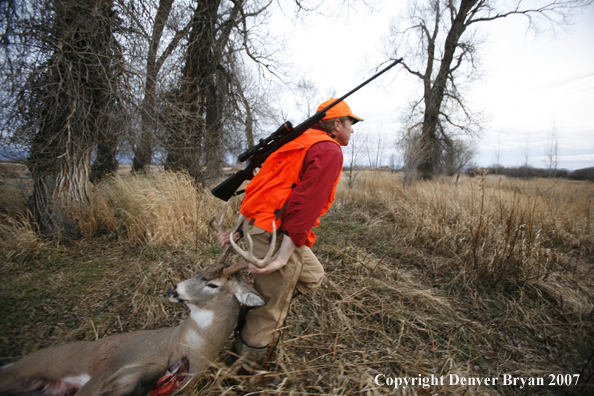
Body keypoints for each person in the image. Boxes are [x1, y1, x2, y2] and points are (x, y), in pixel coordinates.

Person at [217, 98, 363, 367]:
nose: (352, 130)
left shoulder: (298, 141)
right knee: (270, 305)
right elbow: (305, 205)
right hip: (275, 233)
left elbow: (262, 187)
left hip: (260, 227)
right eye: (351, 123)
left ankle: (251, 304)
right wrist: (284, 256)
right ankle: (243, 369)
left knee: (313, 276)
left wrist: (242, 227)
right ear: (337, 123)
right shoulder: (328, 150)